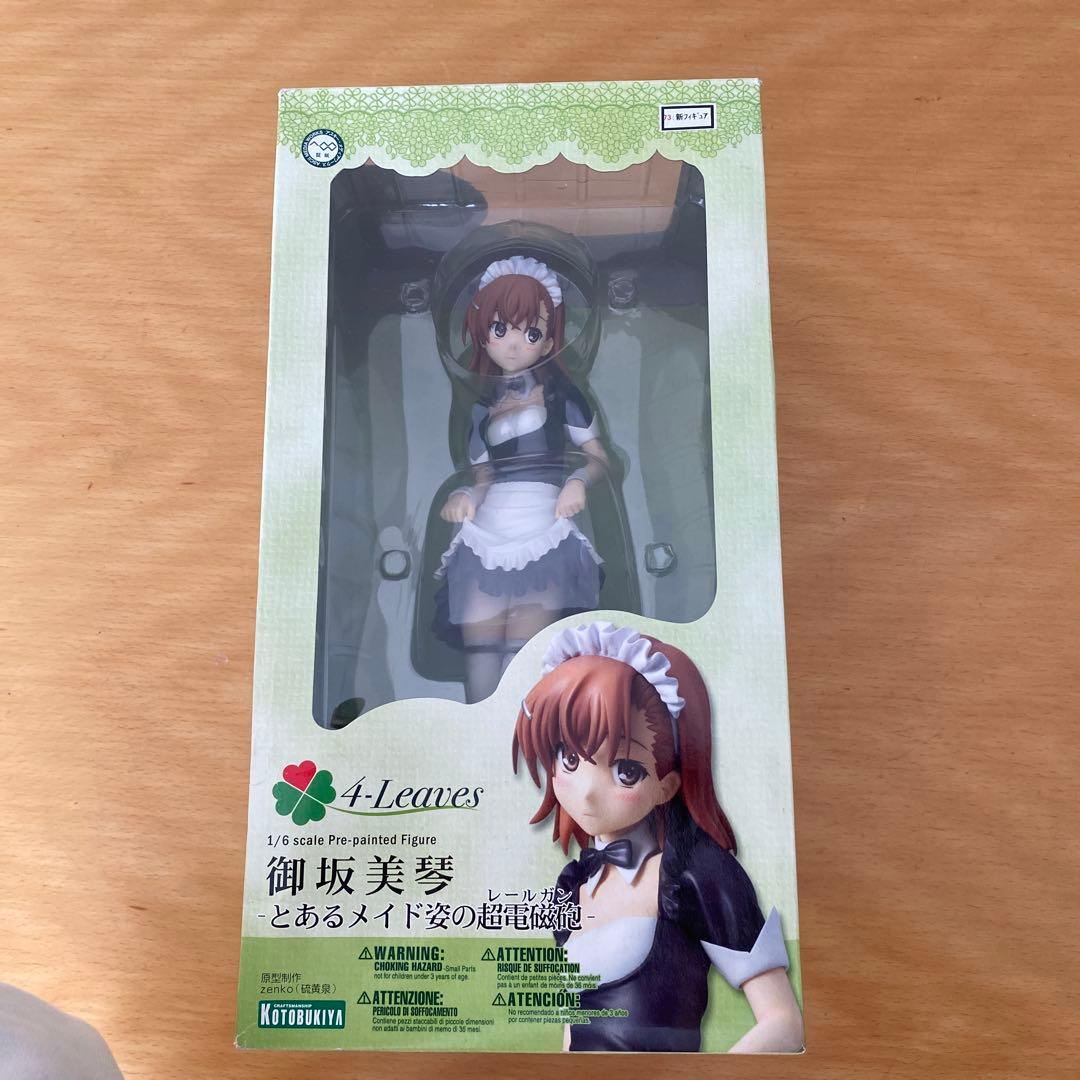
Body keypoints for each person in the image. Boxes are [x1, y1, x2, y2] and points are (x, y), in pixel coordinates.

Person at [513, 621, 804, 1052]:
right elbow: (572, 1030)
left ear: (668, 784)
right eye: (569, 757)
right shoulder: (573, 885)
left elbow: (784, 1024)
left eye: (626, 770)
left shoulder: (696, 873)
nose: (588, 791)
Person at [434, 256, 608, 702]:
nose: (513, 344)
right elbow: (482, 475)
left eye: (530, 333)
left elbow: (599, 459)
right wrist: (465, 495)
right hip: (489, 526)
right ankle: (478, 724)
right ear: (482, 333)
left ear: (548, 341)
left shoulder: (563, 395)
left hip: (543, 522)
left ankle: (519, 727)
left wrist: (577, 482)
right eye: (500, 329)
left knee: (526, 646)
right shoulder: (480, 407)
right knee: (480, 640)